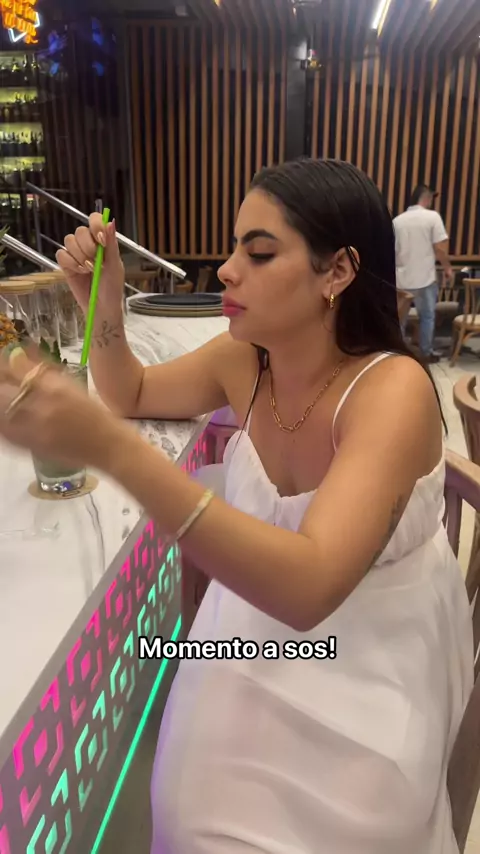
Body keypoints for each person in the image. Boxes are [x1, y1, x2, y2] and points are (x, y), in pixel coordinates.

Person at [0, 159, 473, 854]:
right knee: (186, 810)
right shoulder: (245, 359)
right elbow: (130, 393)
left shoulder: (391, 389)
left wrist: (113, 451)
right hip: (253, 623)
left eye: (259, 253)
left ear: (338, 271)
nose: (225, 270)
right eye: (233, 250)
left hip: (372, 653)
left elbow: (310, 587)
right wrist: (101, 303)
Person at [394, 184, 454, 363]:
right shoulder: (432, 217)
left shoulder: (397, 221)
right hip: (425, 278)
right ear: (426, 198)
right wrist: (447, 268)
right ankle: (425, 353)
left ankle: (398, 354)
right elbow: (440, 248)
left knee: (399, 320)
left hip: (402, 279)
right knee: (427, 317)